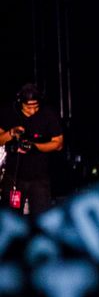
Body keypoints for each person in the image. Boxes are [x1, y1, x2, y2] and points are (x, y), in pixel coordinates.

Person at [0, 83, 64, 215]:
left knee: (43, 218)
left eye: (36, 106)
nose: (32, 111)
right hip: (14, 177)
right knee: (12, 218)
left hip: (39, 178)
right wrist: (11, 133)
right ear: (20, 102)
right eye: (28, 107)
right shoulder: (9, 113)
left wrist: (35, 147)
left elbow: (58, 143)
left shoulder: (48, 114)